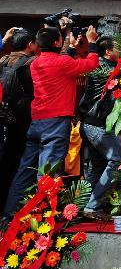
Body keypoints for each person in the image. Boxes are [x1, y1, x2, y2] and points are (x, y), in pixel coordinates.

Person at [3, 25, 99, 216]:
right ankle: (43, 219)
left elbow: (63, 64)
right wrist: (93, 42)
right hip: (55, 124)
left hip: (37, 121)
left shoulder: (35, 63)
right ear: (57, 42)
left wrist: (71, 48)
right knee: (47, 174)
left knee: (25, 171)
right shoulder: (62, 63)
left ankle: (9, 214)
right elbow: (90, 64)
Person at [76, 36, 121, 219]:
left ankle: (81, 209)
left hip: (91, 122)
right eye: (118, 48)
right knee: (117, 159)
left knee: (96, 167)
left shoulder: (106, 66)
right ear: (107, 51)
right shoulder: (107, 69)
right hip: (98, 124)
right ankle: (92, 206)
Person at [0, 30, 36, 207]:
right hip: (24, 118)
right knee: (22, 163)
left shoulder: (3, 60)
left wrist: (4, 40)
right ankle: (15, 205)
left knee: (6, 161)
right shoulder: (30, 63)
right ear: (30, 45)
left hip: (5, 117)